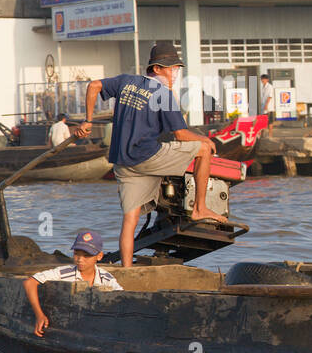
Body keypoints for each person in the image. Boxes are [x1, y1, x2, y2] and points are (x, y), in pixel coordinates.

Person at [78, 41, 220, 267]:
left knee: (130, 219)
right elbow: (181, 135)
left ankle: (126, 269)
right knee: (203, 150)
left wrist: (88, 120)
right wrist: (205, 139)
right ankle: (199, 208)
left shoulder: (126, 81)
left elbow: (94, 85)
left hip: (123, 162)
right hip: (147, 157)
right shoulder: (163, 93)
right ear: (156, 69)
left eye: (176, 69)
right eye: (171, 69)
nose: (174, 74)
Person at [23, 229, 123, 338]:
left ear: (99, 256)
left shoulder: (106, 278)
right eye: (76, 254)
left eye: (86, 255)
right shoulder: (63, 272)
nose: (80, 259)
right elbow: (29, 283)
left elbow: (122, 298)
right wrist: (39, 315)